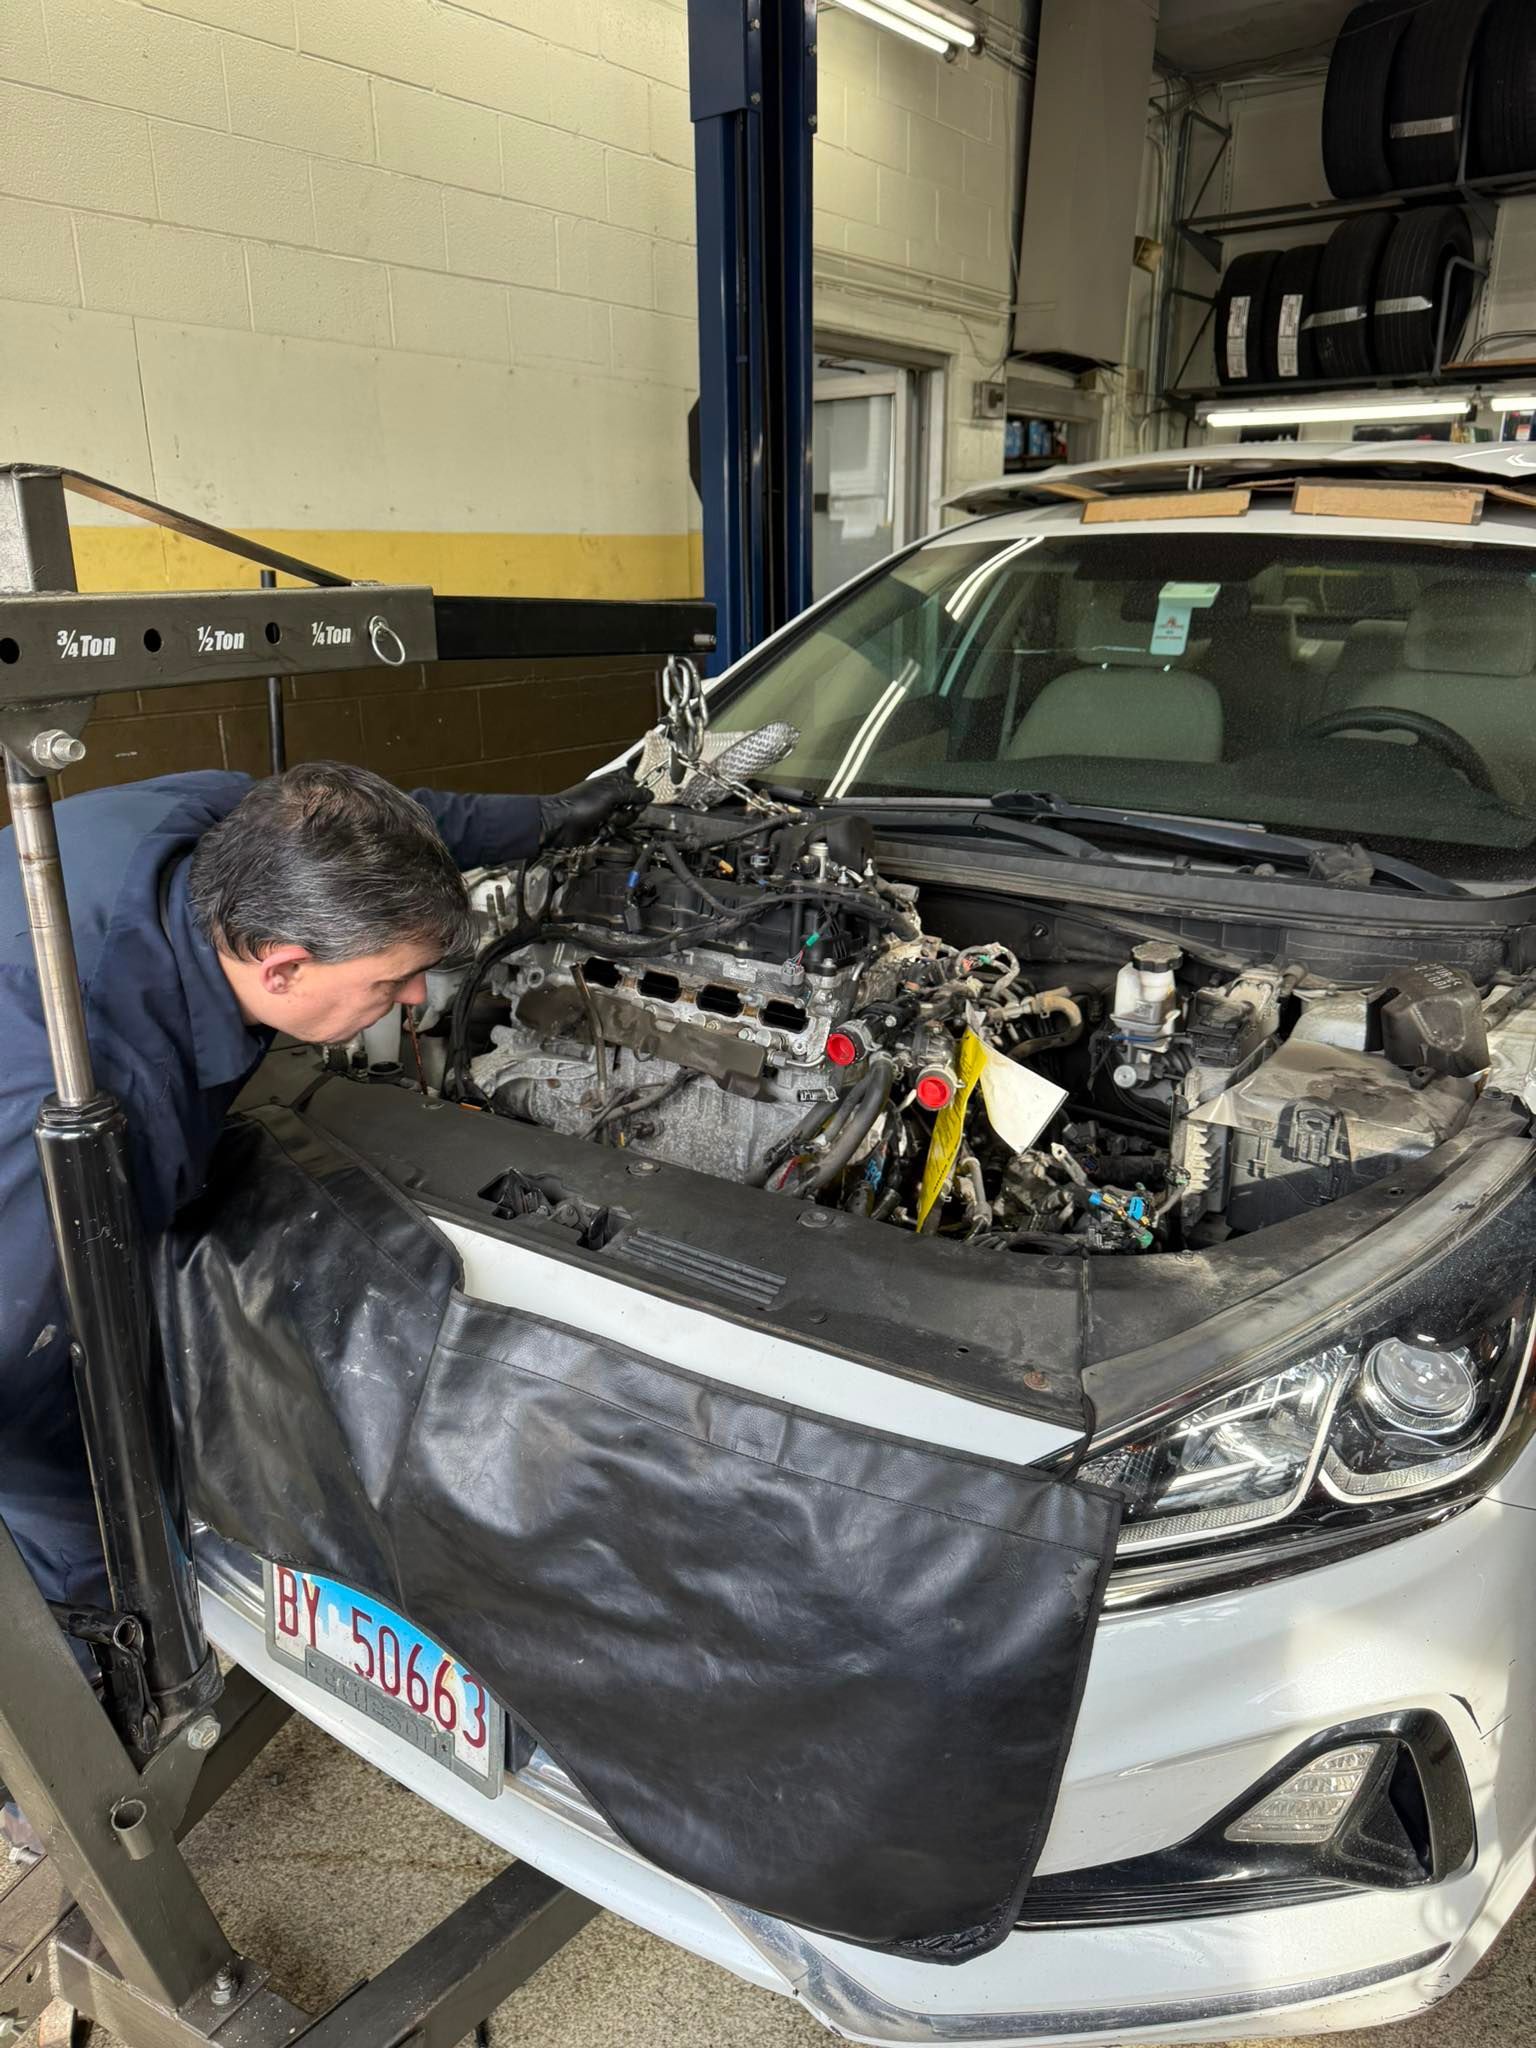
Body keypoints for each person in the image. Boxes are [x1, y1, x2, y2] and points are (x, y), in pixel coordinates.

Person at [0, 759, 640, 1859]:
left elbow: (400, 816)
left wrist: (554, 814)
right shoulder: (98, 1104)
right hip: (16, 1294)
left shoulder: (222, 825)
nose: (415, 1002)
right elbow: (23, 1366)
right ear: (283, 963)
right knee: (76, 1491)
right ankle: (83, 1757)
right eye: (395, 980)